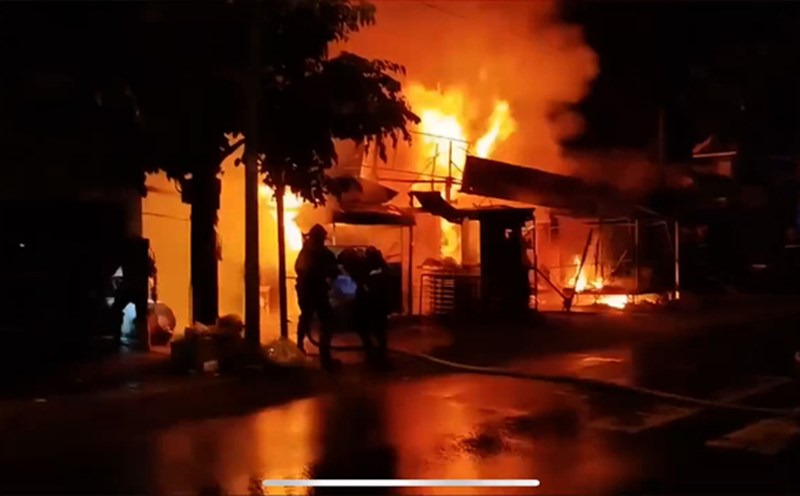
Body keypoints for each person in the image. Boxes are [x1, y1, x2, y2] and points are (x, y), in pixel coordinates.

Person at [295, 224, 339, 369]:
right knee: (327, 320)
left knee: (306, 317)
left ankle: (299, 346)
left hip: (304, 290)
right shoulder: (321, 253)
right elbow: (333, 271)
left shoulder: (305, 251)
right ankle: (325, 358)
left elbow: (299, 268)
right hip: (316, 291)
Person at [356, 246, 392, 369]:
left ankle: (377, 355)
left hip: (374, 305)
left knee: (373, 331)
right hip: (375, 305)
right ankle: (377, 354)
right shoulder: (380, 267)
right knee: (376, 331)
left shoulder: (374, 269)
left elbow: (364, 284)